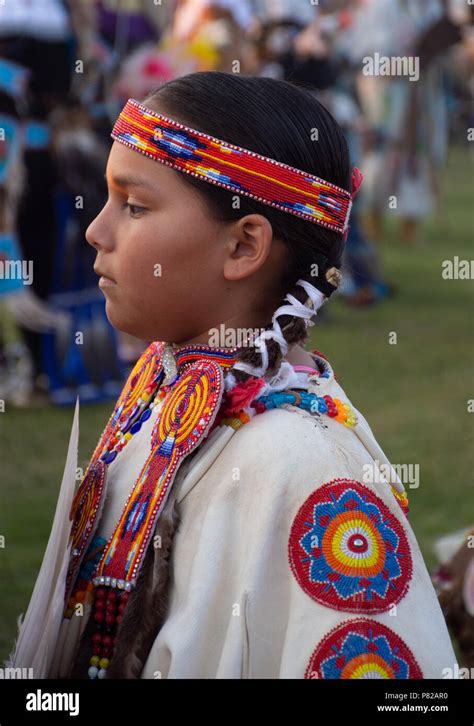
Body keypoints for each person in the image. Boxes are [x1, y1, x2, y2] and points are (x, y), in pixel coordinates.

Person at [7, 72, 458, 680]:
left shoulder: (310, 469)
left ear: (245, 247)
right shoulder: (167, 388)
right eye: (108, 199)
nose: (97, 231)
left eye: (135, 206)